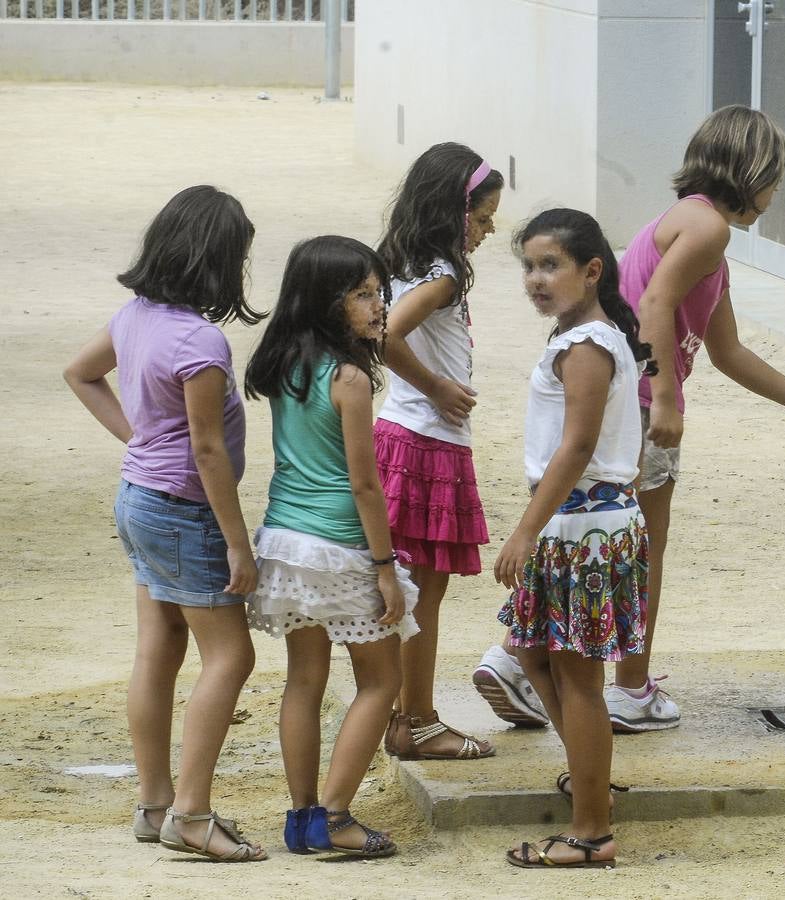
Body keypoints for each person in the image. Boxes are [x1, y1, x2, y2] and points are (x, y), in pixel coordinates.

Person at [474, 105, 785, 733]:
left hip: (624, 399)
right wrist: (666, 396)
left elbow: (727, 351)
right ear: (750, 171)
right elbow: (654, 303)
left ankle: (518, 657)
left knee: (590, 535)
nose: (775, 193)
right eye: (774, 178)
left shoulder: (694, 230)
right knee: (641, 552)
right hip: (637, 407)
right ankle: (629, 689)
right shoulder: (707, 229)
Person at [63, 185, 267, 862]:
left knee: (158, 650)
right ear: (220, 259)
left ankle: (155, 804)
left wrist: (137, 439)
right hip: (184, 512)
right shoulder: (200, 341)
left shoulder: (135, 315)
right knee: (231, 656)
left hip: (140, 500)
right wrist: (239, 544)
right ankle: (191, 813)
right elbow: (208, 452)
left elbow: (80, 373)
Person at [245, 235, 419, 858]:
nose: (379, 307)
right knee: (381, 680)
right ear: (328, 302)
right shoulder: (348, 377)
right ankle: (337, 815)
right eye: (363, 295)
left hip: (285, 543)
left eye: (380, 293)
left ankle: (301, 818)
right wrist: (385, 568)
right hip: (342, 547)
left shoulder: (286, 363)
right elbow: (365, 484)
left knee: (304, 679)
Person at [497, 208, 653, 868]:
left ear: (590, 271)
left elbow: (579, 443)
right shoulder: (588, 335)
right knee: (533, 656)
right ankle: (589, 781)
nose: (536, 278)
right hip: (579, 525)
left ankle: (591, 830)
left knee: (577, 679)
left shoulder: (585, 345)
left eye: (549, 265)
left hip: (578, 529)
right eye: (529, 266)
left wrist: (525, 532)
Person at [374, 143, 504, 760]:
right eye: (480, 218)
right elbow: (387, 335)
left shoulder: (399, 263)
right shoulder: (442, 276)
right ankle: (418, 721)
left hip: (397, 437)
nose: (488, 229)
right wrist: (437, 387)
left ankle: (401, 714)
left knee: (406, 590)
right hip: (428, 442)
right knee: (424, 596)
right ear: (452, 211)